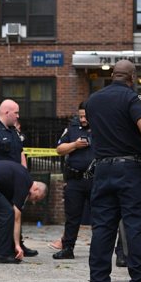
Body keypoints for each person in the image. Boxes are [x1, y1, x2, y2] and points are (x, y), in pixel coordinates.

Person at [85, 59, 141, 282]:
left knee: (102, 229)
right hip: (130, 170)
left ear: (112, 75)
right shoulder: (132, 98)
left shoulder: (93, 101)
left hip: (102, 170)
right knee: (136, 227)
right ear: (132, 77)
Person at [0, 99, 37, 257]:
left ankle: (17, 244)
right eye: (16, 112)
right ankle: (4, 248)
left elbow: (21, 152)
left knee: (16, 212)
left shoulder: (14, 131)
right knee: (5, 214)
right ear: (6, 112)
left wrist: (24, 172)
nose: (18, 116)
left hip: (14, 179)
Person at [0, 160, 47, 263]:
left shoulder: (21, 176)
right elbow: (16, 216)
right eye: (36, 198)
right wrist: (17, 245)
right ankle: (2, 254)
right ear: (36, 189)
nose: (33, 201)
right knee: (7, 213)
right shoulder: (26, 181)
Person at [52, 102, 95, 260]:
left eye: (85, 116)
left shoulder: (100, 127)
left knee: (99, 217)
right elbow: (59, 149)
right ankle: (68, 248)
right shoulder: (72, 128)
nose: (83, 119)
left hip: (94, 179)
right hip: (75, 180)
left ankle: (97, 250)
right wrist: (75, 145)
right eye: (81, 115)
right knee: (72, 217)